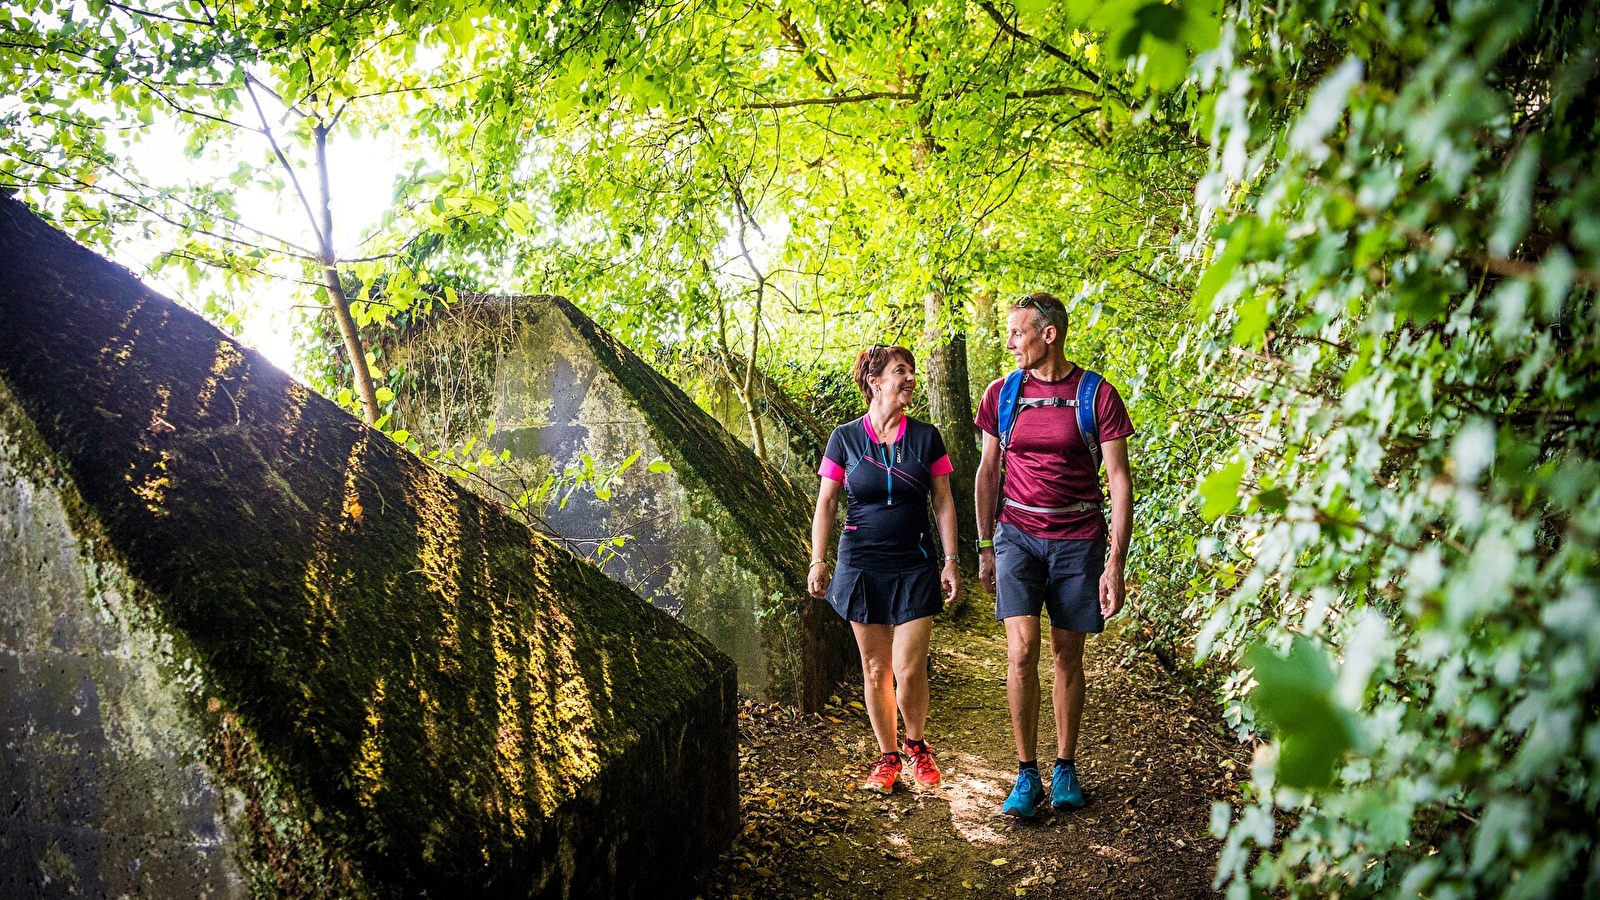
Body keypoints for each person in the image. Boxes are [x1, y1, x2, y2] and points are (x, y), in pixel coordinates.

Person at [973, 292, 1135, 818]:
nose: (1009, 341)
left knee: (1068, 655)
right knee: (1021, 652)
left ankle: (1065, 766)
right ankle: (1026, 774)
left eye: (1017, 332)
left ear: (1049, 334)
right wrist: (984, 546)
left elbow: (1118, 481)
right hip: (1016, 535)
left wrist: (1115, 562)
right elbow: (988, 472)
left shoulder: (1098, 395)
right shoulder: (1002, 394)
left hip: (1078, 540)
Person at [809, 344, 961, 793]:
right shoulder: (845, 438)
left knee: (908, 667)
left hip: (914, 562)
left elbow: (943, 501)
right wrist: (819, 560)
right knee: (876, 668)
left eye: (912, 371)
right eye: (901, 371)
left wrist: (951, 561)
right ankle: (887, 756)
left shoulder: (927, 437)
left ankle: (918, 746)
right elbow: (827, 503)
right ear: (875, 382)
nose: (911, 378)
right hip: (860, 565)